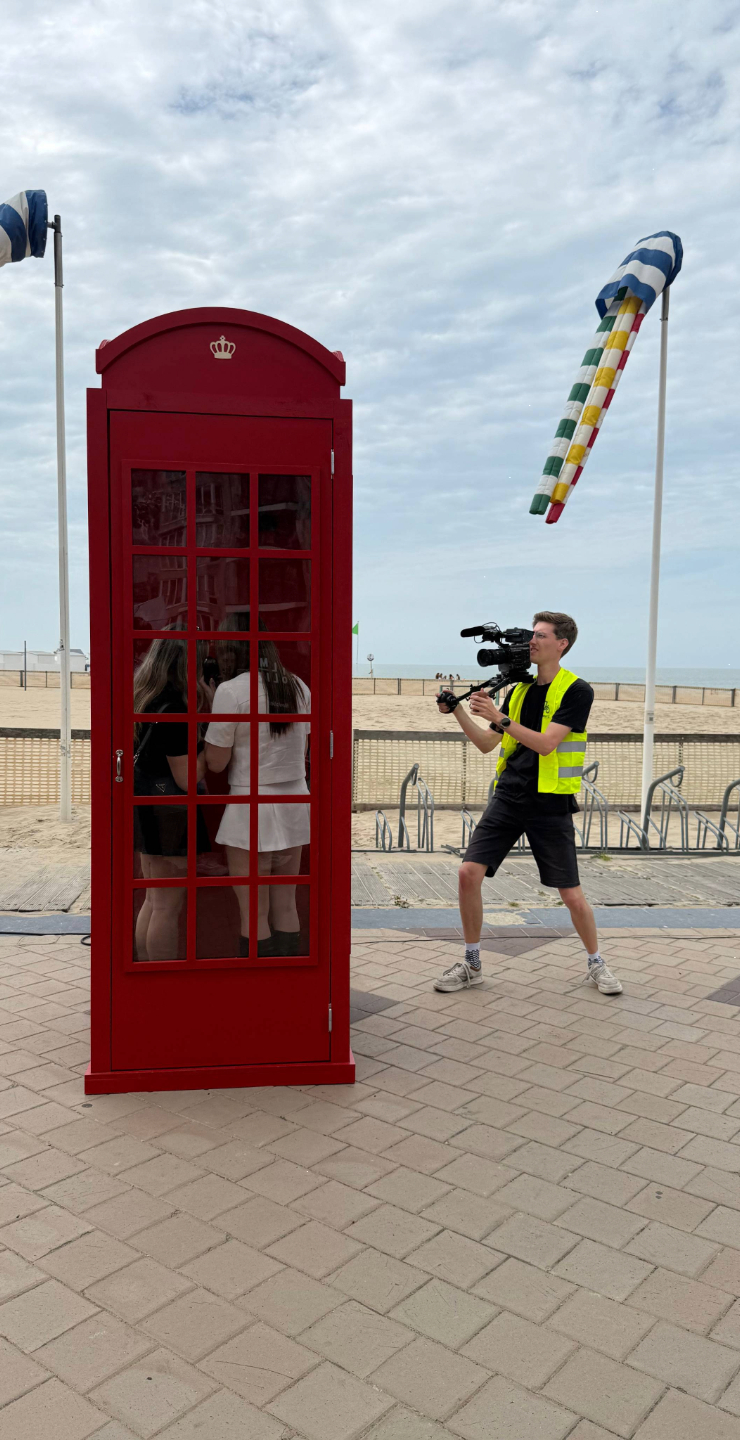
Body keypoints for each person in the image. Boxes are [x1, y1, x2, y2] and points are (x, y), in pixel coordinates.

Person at [434, 611, 622, 996]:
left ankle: (596, 962)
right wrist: (458, 711)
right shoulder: (518, 691)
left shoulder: (576, 690)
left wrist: (499, 718)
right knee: (468, 873)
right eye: (532, 634)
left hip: (550, 802)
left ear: (562, 644)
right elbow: (487, 743)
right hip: (509, 795)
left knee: (571, 894)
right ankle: (471, 963)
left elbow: (547, 744)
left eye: (540, 635)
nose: (531, 641)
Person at [204, 625, 310, 958]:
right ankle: (288, 978)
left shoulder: (231, 691)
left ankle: (256, 979)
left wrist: (209, 711)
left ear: (235, 653)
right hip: (294, 800)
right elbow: (302, 748)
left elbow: (216, 764)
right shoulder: (298, 687)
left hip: (250, 807)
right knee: (287, 904)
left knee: (253, 910)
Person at [133, 637, 211, 961]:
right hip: (171, 812)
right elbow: (187, 778)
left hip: (147, 806)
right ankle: (162, 979)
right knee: (167, 907)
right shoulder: (176, 710)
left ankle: (145, 976)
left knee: (153, 900)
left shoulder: (145, 698)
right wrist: (209, 743)